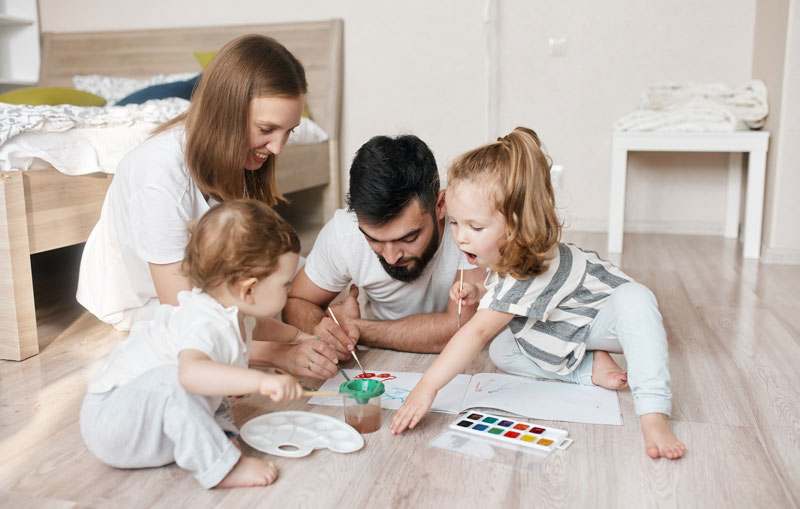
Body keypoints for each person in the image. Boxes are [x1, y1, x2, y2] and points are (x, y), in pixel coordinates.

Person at [389, 127, 686, 460]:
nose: (460, 237)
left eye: (475, 227)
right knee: (503, 349)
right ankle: (587, 368)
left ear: (516, 225)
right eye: (456, 223)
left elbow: (476, 331)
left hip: (606, 319)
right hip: (569, 321)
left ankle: (654, 414)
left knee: (637, 298)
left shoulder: (528, 260)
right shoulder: (504, 252)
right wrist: (477, 290)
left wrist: (427, 387)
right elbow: (510, 291)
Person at [76, 34, 337, 379]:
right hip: (147, 306)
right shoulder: (157, 172)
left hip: (205, 292)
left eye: (288, 131)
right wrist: (280, 353)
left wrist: (306, 335)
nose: (277, 148)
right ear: (225, 111)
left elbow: (238, 291)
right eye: (266, 129)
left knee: (293, 276)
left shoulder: (236, 159)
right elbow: (184, 321)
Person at [81, 200, 309, 489]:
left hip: (153, 421)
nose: (289, 288)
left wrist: (298, 336)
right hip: (114, 422)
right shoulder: (203, 321)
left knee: (216, 390)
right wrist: (258, 382)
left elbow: (259, 324)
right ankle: (221, 467)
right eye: (285, 283)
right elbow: (188, 374)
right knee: (185, 379)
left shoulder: (236, 309)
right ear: (248, 289)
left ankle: (218, 442)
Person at [283, 134, 484, 370]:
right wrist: (326, 330)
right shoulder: (345, 233)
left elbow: (460, 327)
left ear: (441, 206)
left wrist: (357, 328)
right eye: (373, 239)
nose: (391, 257)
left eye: (409, 238)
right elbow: (296, 302)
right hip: (381, 359)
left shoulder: (468, 226)